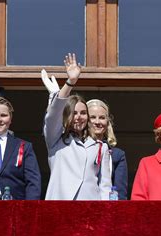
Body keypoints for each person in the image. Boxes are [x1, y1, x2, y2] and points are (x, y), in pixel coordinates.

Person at [42, 53, 112, 200]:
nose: (79, 117)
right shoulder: (56, 139)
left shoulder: (101, 146)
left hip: (90, 209)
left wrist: (105, 212)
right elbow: (53, 116)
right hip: (61, 206)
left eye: (83, 113)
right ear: (66, 116)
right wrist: (70, 82)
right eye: (74, 113)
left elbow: (105, 185)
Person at [86, 99, 128, 200]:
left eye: (102, 118)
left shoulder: (117, 155)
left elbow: (120, 193)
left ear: (107, 122)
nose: (97, 122)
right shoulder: (76, 149)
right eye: (92, 117)